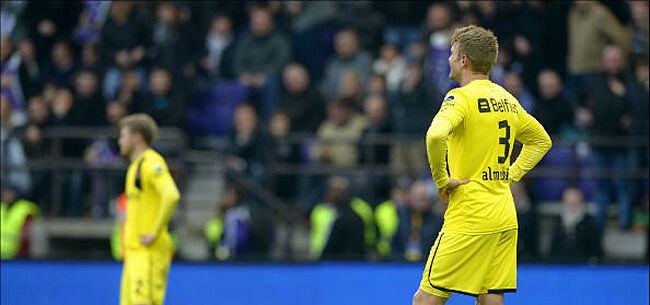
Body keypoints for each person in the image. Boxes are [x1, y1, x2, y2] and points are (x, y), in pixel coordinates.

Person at [413, 25, 552, 305]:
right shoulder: (507, 100)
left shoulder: (460, 97)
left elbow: (436, 134)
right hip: (503, 214)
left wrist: (441, 180)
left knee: (424, 300)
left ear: (464, 59)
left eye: (452, 54)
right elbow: (541, 140)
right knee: (490, 297)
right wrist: (511, 175)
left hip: (470, 214)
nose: (449, 59)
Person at [117, 113, 180, 305]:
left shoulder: (151, 162)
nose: (119, 141)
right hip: (134, 252)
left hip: (148, 252)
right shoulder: (134, 166)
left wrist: (154, 231)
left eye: (123, 136)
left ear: (137, 138)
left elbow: (171, 195)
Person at [549, 187, 602, 262]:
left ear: (581, 202)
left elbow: (595, 251)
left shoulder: (590, 223)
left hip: (583, 267)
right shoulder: (558, 222)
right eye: (569, 203)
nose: (571, 206)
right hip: (560, 267)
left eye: (575, 203)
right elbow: (553, 249)